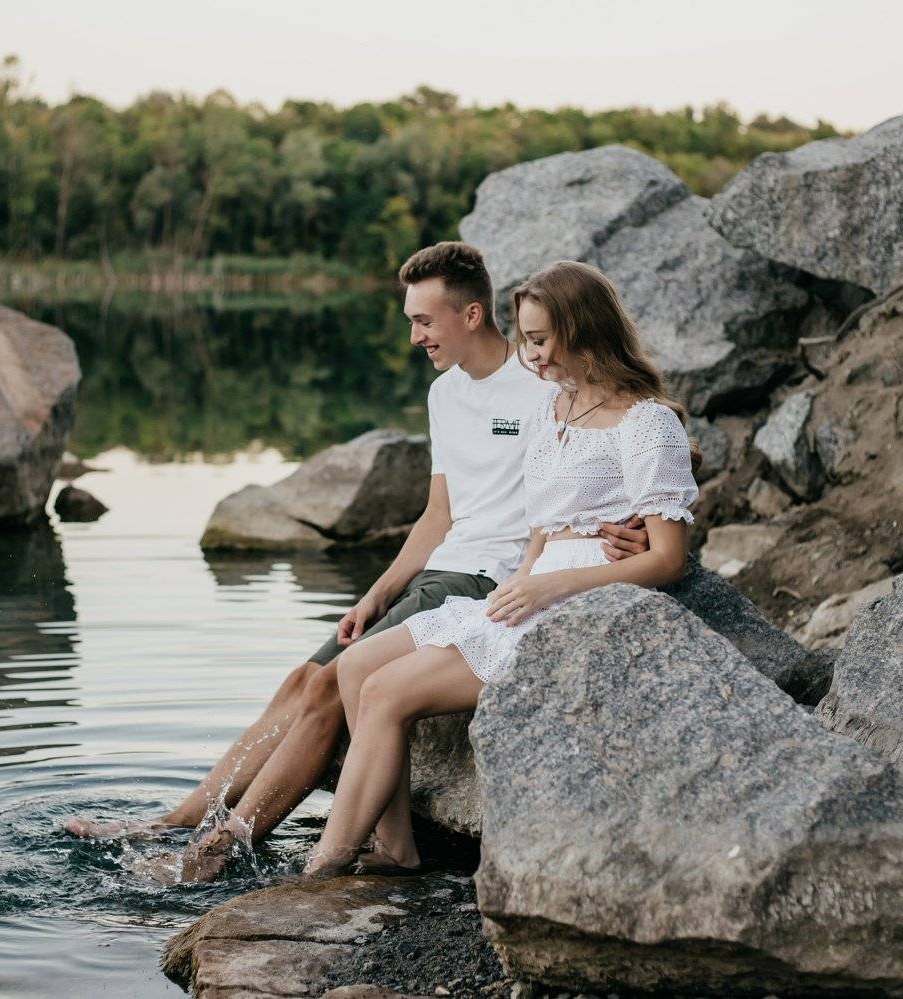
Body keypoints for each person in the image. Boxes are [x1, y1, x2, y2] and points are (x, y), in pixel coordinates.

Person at [63, 243, 652, 880]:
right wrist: (376, 594)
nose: (414, 337)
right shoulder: (445, 395)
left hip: (487, 580)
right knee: (301, 678)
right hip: (438, 570)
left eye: (424, 321)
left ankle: (226, 845)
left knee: (327, 686)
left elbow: (625, 432)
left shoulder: (543, 383)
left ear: (472, 314)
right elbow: (438, 516)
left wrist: (635, 528)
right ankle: (178, 820)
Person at [301, 260, 700, 878]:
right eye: (526, 339)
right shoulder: (555, 409)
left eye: (539, 340)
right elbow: (541, 524)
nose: (529, 356)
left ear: (583, 331)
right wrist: (525, 578)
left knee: (384, 691)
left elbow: (668, 558)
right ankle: (395, 848)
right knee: (354, 666)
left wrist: (553, 584)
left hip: (588, 601)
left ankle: (322, 866)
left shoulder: (646, 421)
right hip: (533, 584)